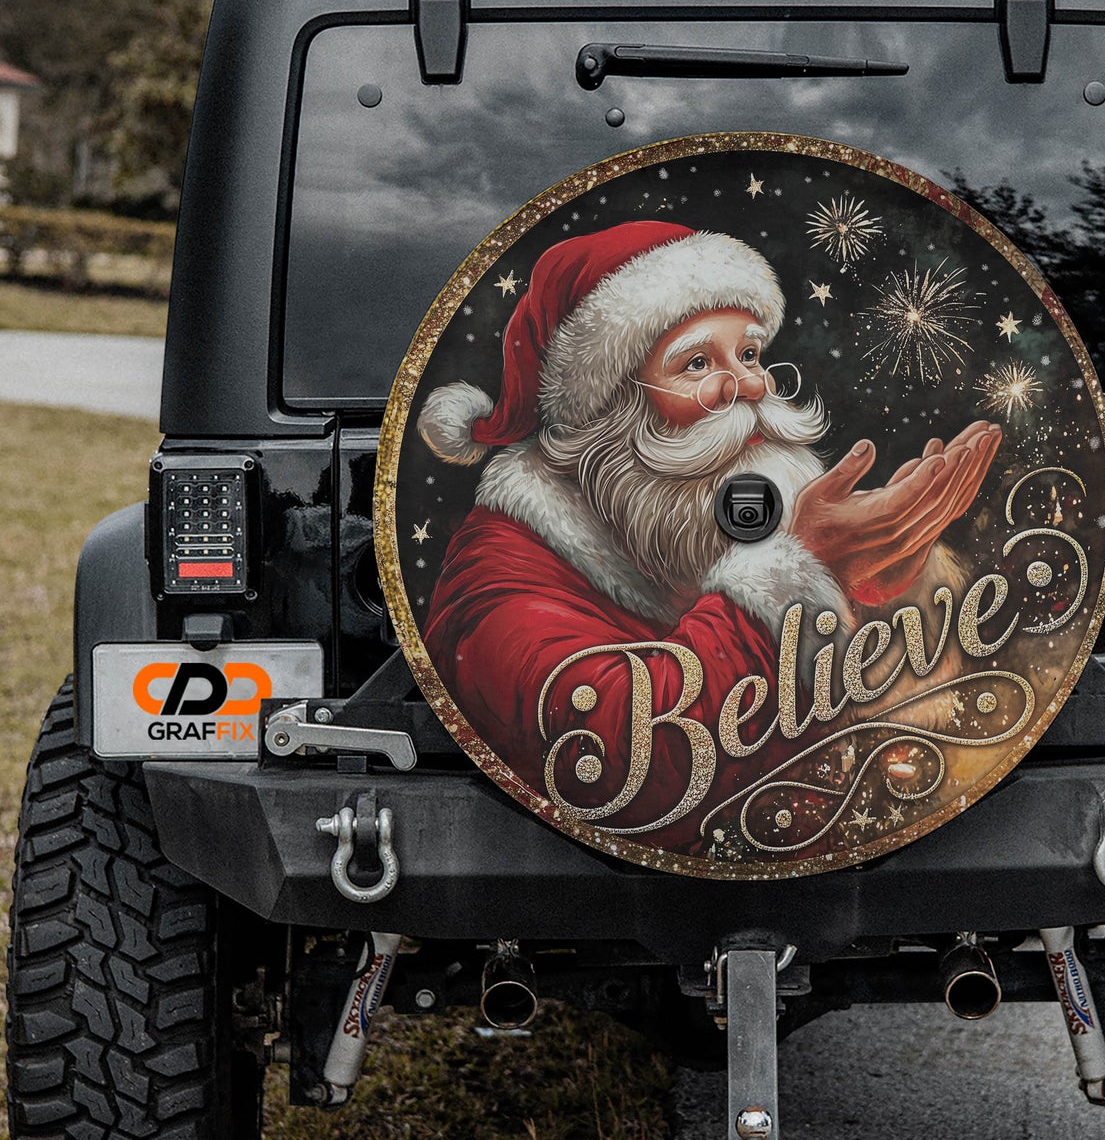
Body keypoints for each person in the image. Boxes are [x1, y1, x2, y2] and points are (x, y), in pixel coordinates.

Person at [417, 220, 1000, 849]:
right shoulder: (500, 576)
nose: (750, 386)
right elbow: (624, 772)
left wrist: (870, 582)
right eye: (698, 363)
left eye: (749, 354)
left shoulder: (682, 522)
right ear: (608, 410)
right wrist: (799, 568)